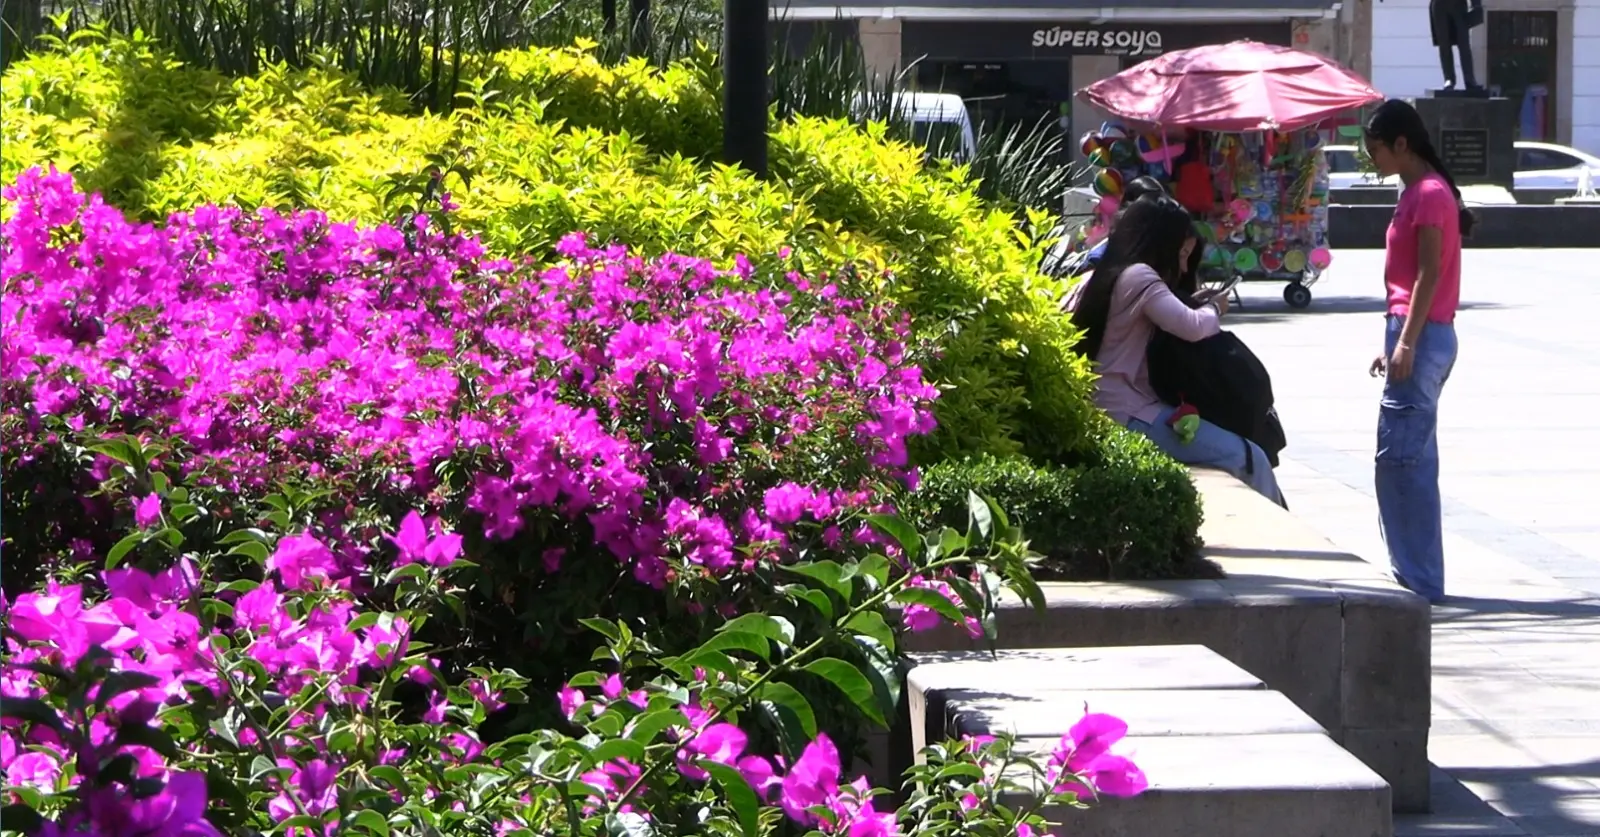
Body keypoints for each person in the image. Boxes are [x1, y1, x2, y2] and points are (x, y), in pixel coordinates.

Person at [1067, 196, 1283, 502]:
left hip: (1110, 406)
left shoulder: (1102, 274)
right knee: (1249, 457)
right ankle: (1279, 537)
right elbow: (1193, 326)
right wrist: (1214, 307)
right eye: (1182, 253)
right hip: (1127, 413)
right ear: (1163, 243)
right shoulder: (1140, 276)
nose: (1184, 265)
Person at [1362, 99, 1472, 603]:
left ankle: (1418, 582)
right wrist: (1396, 340)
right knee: (1410, 456)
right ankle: (1415, 575)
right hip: (1415, 333)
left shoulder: (1428, 194)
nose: (1373, 161)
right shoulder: (1419, 191)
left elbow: (1430, 271)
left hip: (1422, 336)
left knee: (1401, 461)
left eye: (1377, 150)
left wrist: (1406, 339)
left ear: (1402, 144)